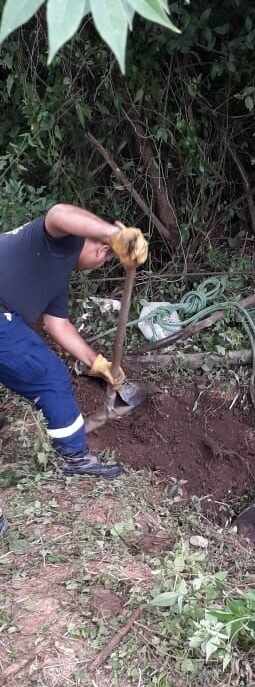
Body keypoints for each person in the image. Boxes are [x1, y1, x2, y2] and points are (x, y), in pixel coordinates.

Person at [0, 204, 148, 538]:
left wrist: (99, 364)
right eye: (106, 259)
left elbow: (58, 326)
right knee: (50, 376)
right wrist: (115, 234)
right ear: (101, 248)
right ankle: (76, 459)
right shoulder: (63, 242)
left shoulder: (58, 278)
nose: (100, 266)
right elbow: (57, 213)